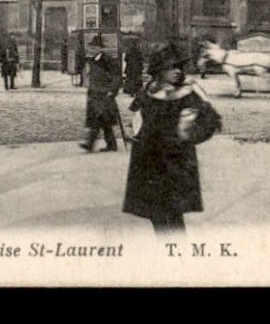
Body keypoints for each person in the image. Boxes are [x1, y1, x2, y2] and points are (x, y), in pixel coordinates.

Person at [122, 44, 222, 233]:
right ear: (159, 70)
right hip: (148, 159)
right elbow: (135, 116)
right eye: (171, 67)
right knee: (154, 212)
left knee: (174, 213)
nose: (177, 71)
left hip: (176, 160)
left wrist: (190, 133)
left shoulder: (189, 91)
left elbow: (211, 121)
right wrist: (133, 132)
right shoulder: (149, 90)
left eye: (179, 67)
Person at [79, 37, 121, 152]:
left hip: (104, 93)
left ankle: (90, 143)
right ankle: (111, 144)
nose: (92, 49)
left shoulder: (108, 61)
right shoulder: (92, 60)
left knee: (99, 118)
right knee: (103, 119)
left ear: (101, 48)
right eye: (91, 47)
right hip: (94, 93)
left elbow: (116, 77)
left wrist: (112, 90)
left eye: (95, 47)